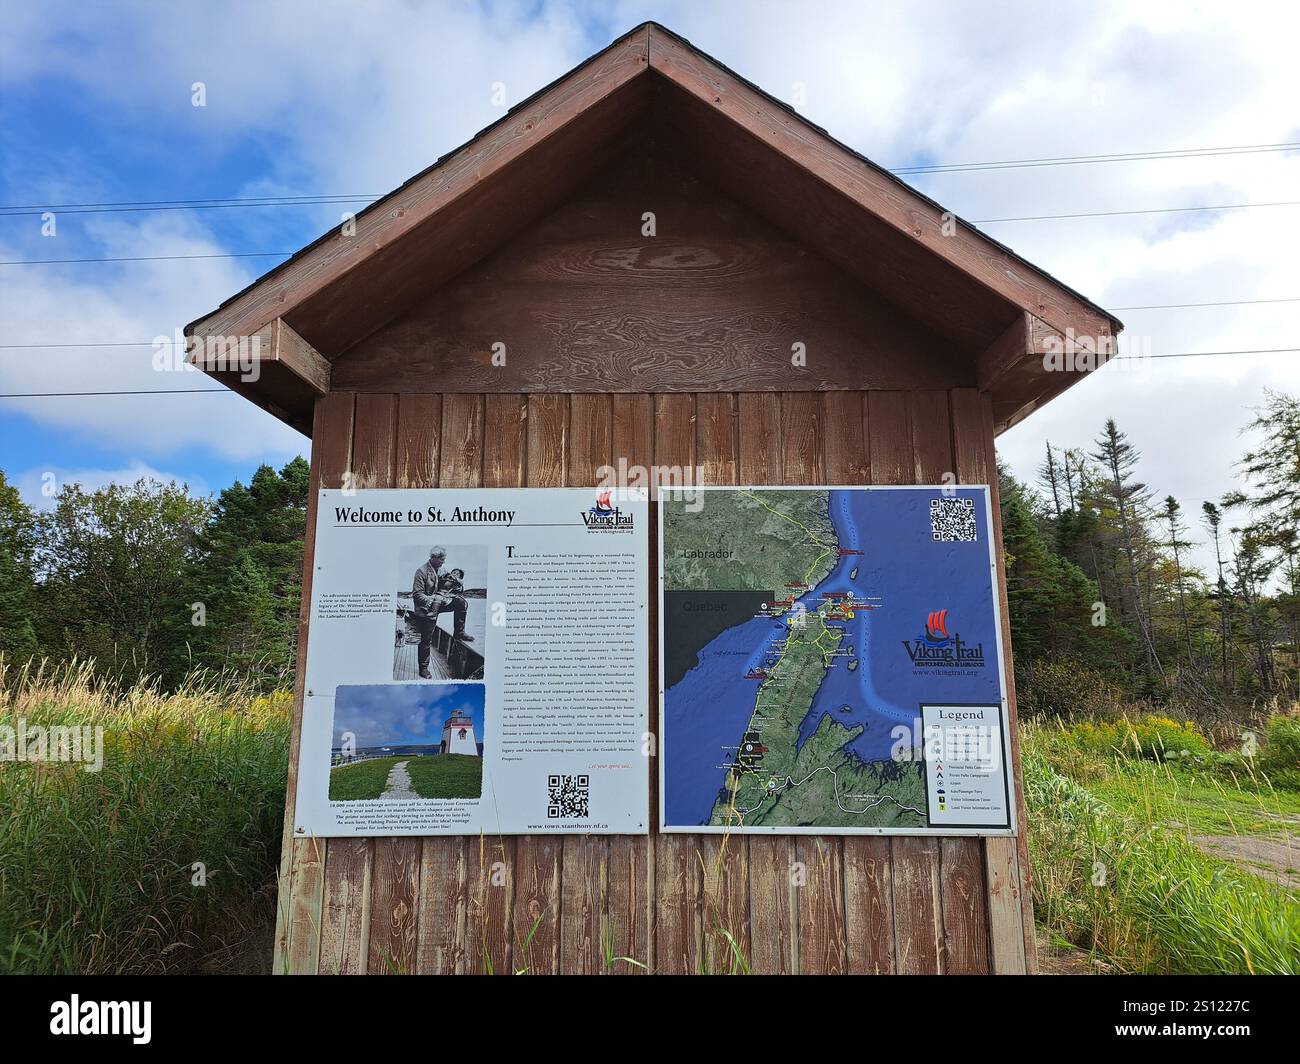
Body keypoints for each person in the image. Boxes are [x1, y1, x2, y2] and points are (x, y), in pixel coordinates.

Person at [411, 546, 472, 679]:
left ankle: (459, 632)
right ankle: (423, 668)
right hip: (426, 609)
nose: (444, 562)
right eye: (442, 559)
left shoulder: (442, 569)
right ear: (434, 558)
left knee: (461, 602)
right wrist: (433, 600)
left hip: (439, 603)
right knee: (426, 640)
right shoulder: (421, 571)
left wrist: (458, 583)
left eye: (444, 559)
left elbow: (453, 585)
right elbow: (417, 595)